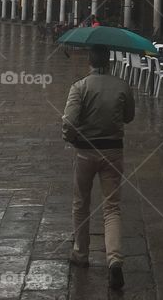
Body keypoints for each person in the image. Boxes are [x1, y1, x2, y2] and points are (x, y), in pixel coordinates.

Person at [62, 45, 135, 290]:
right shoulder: (122, 85)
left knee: (81, 203)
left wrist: (69, 137)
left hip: (85, 152)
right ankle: (114, 260)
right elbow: (129, 117)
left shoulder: (79, 87)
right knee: (112, 208)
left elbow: (69, 121)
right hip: (113, 151)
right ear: (110, 61)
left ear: (90, 62)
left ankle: (81, 253)